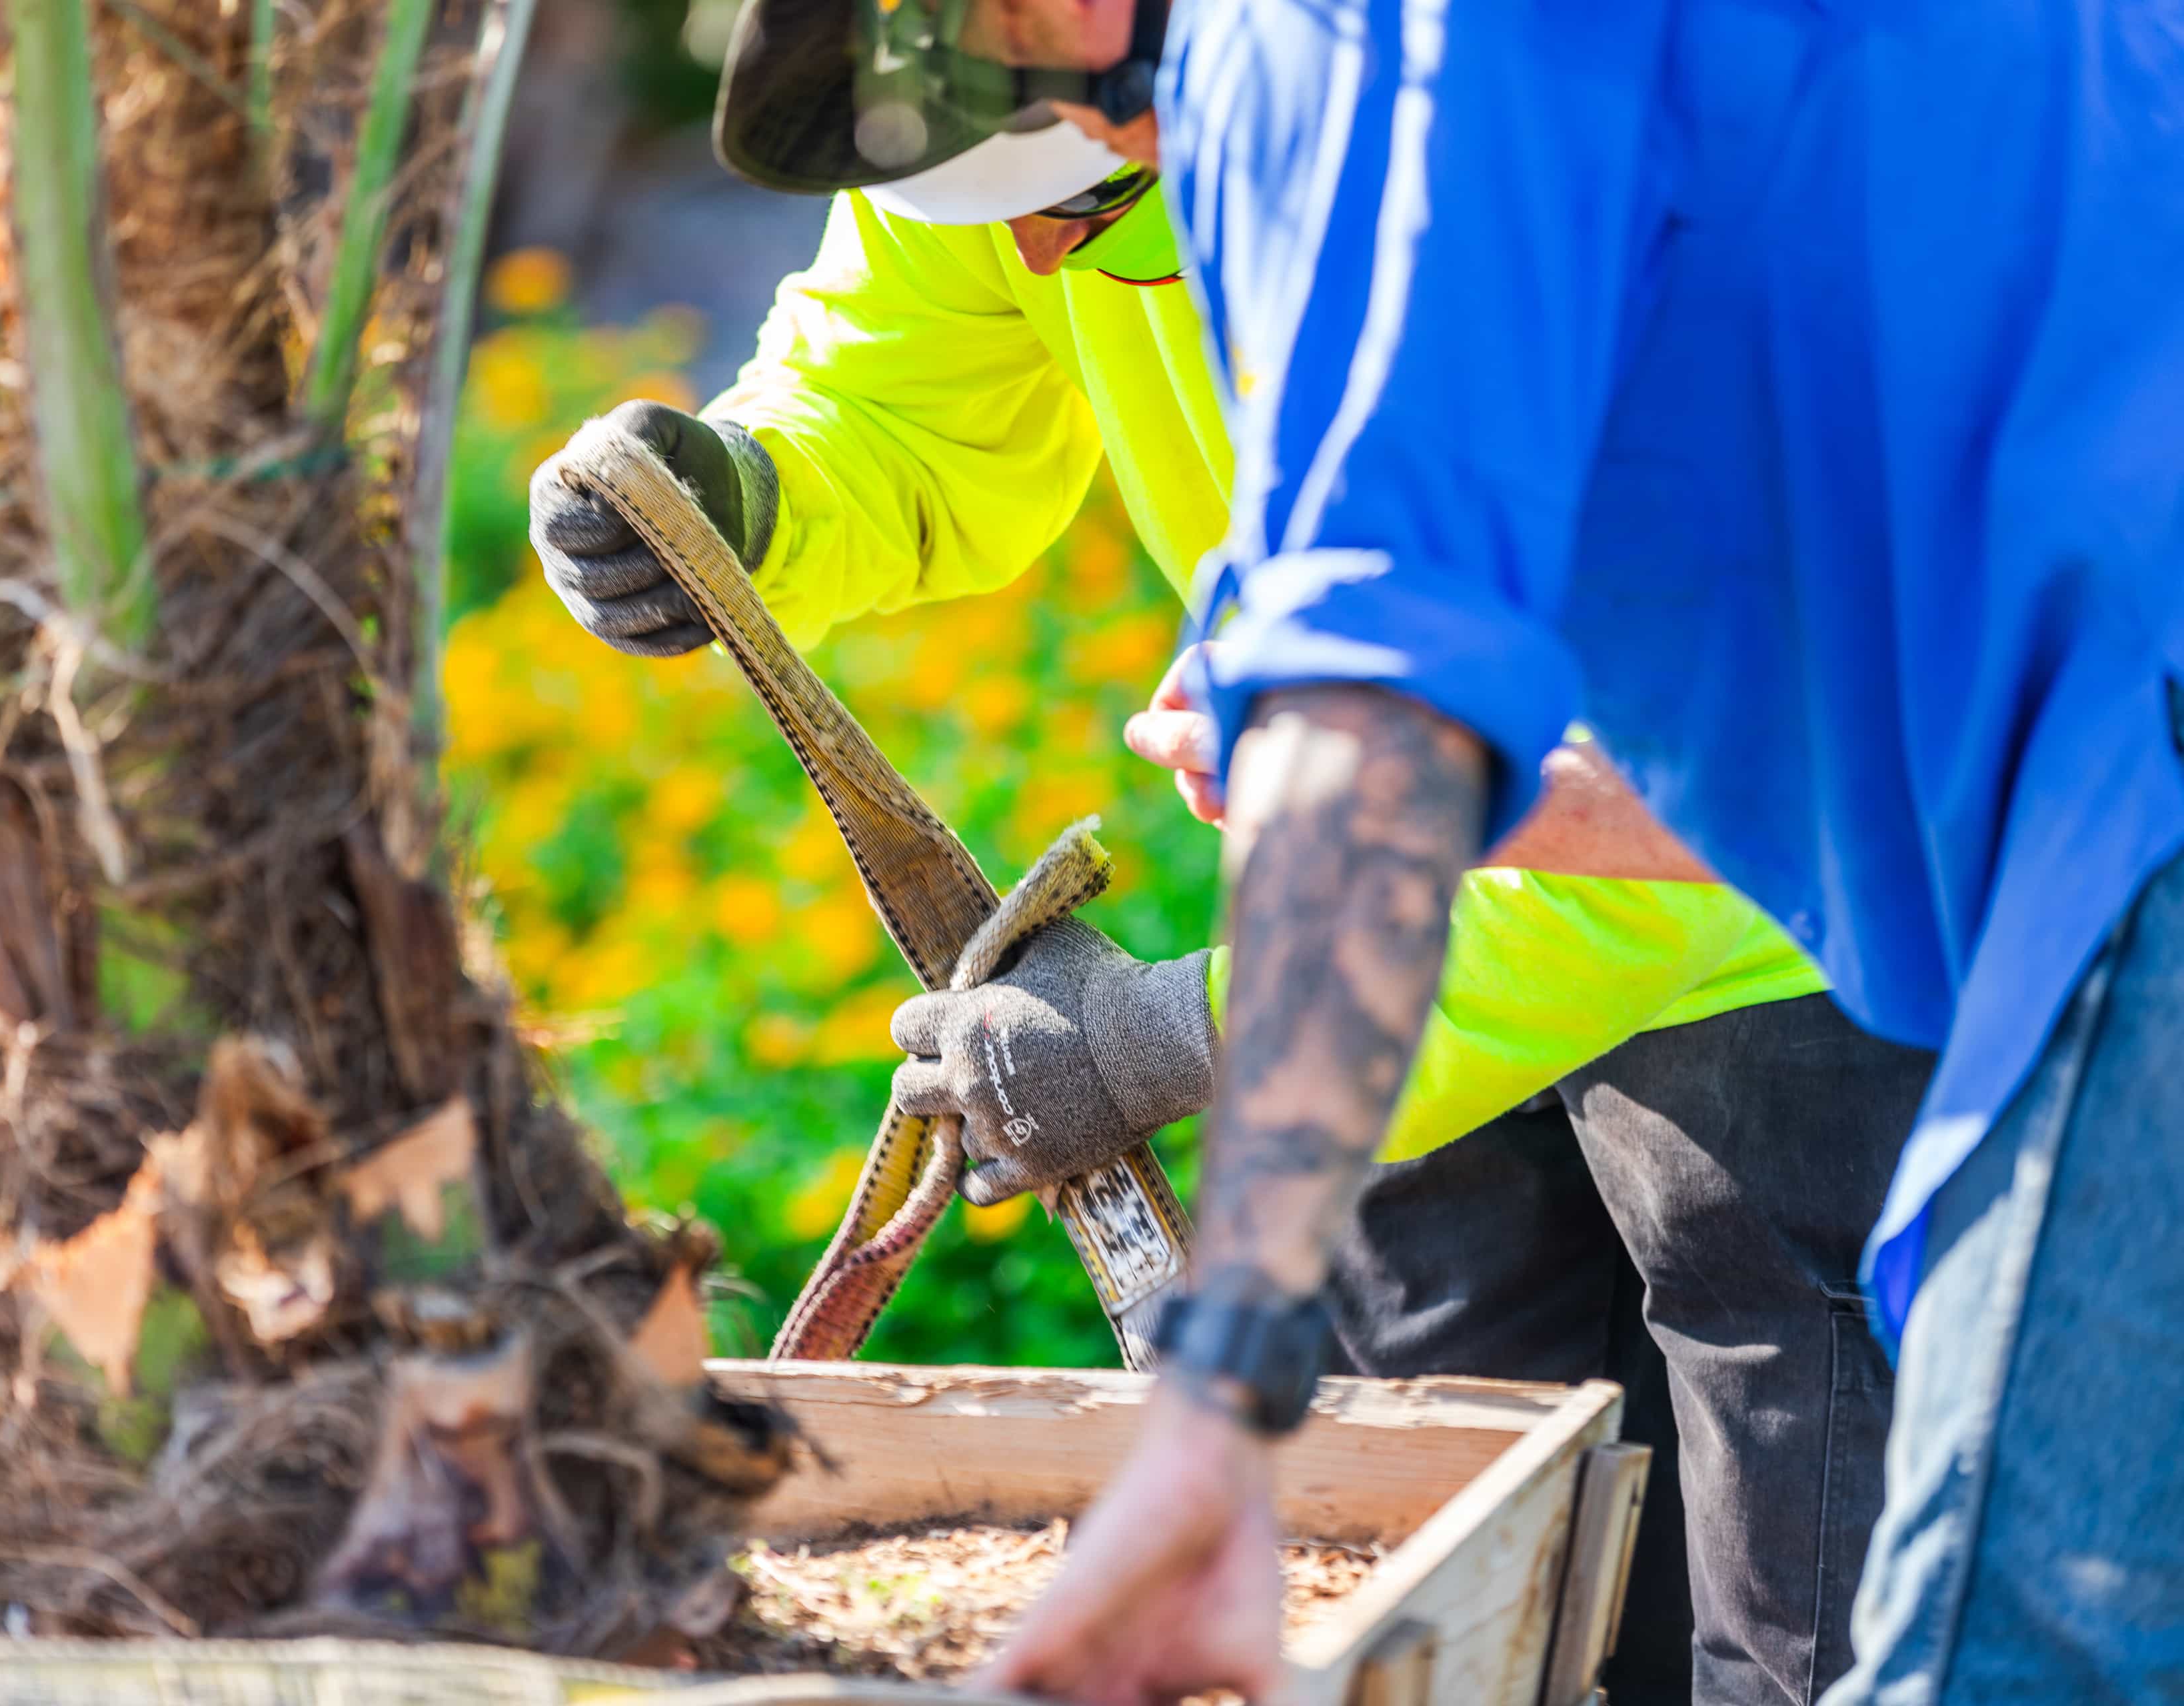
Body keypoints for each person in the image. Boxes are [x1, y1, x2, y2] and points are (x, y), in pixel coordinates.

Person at [529, 23, 1934, 1695]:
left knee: (1810, 1630)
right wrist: (757, 494)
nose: (1034, 253)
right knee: (1446, 1596)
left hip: (1745, 915)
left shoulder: (1502, 131)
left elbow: (1671, 771)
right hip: (1371, 893)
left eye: (1080, 207)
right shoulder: (995, 72)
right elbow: (903, 382)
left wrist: (1185, 1028)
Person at [826, 2, 2184, 1703]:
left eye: (1089, 161)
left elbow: (1378, 708)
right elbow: (1797, 695)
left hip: (2124, 821)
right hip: (2070, 824)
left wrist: (1218, 1414)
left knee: (2010, 1655)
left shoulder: (1350, 47)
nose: (1070, 220)